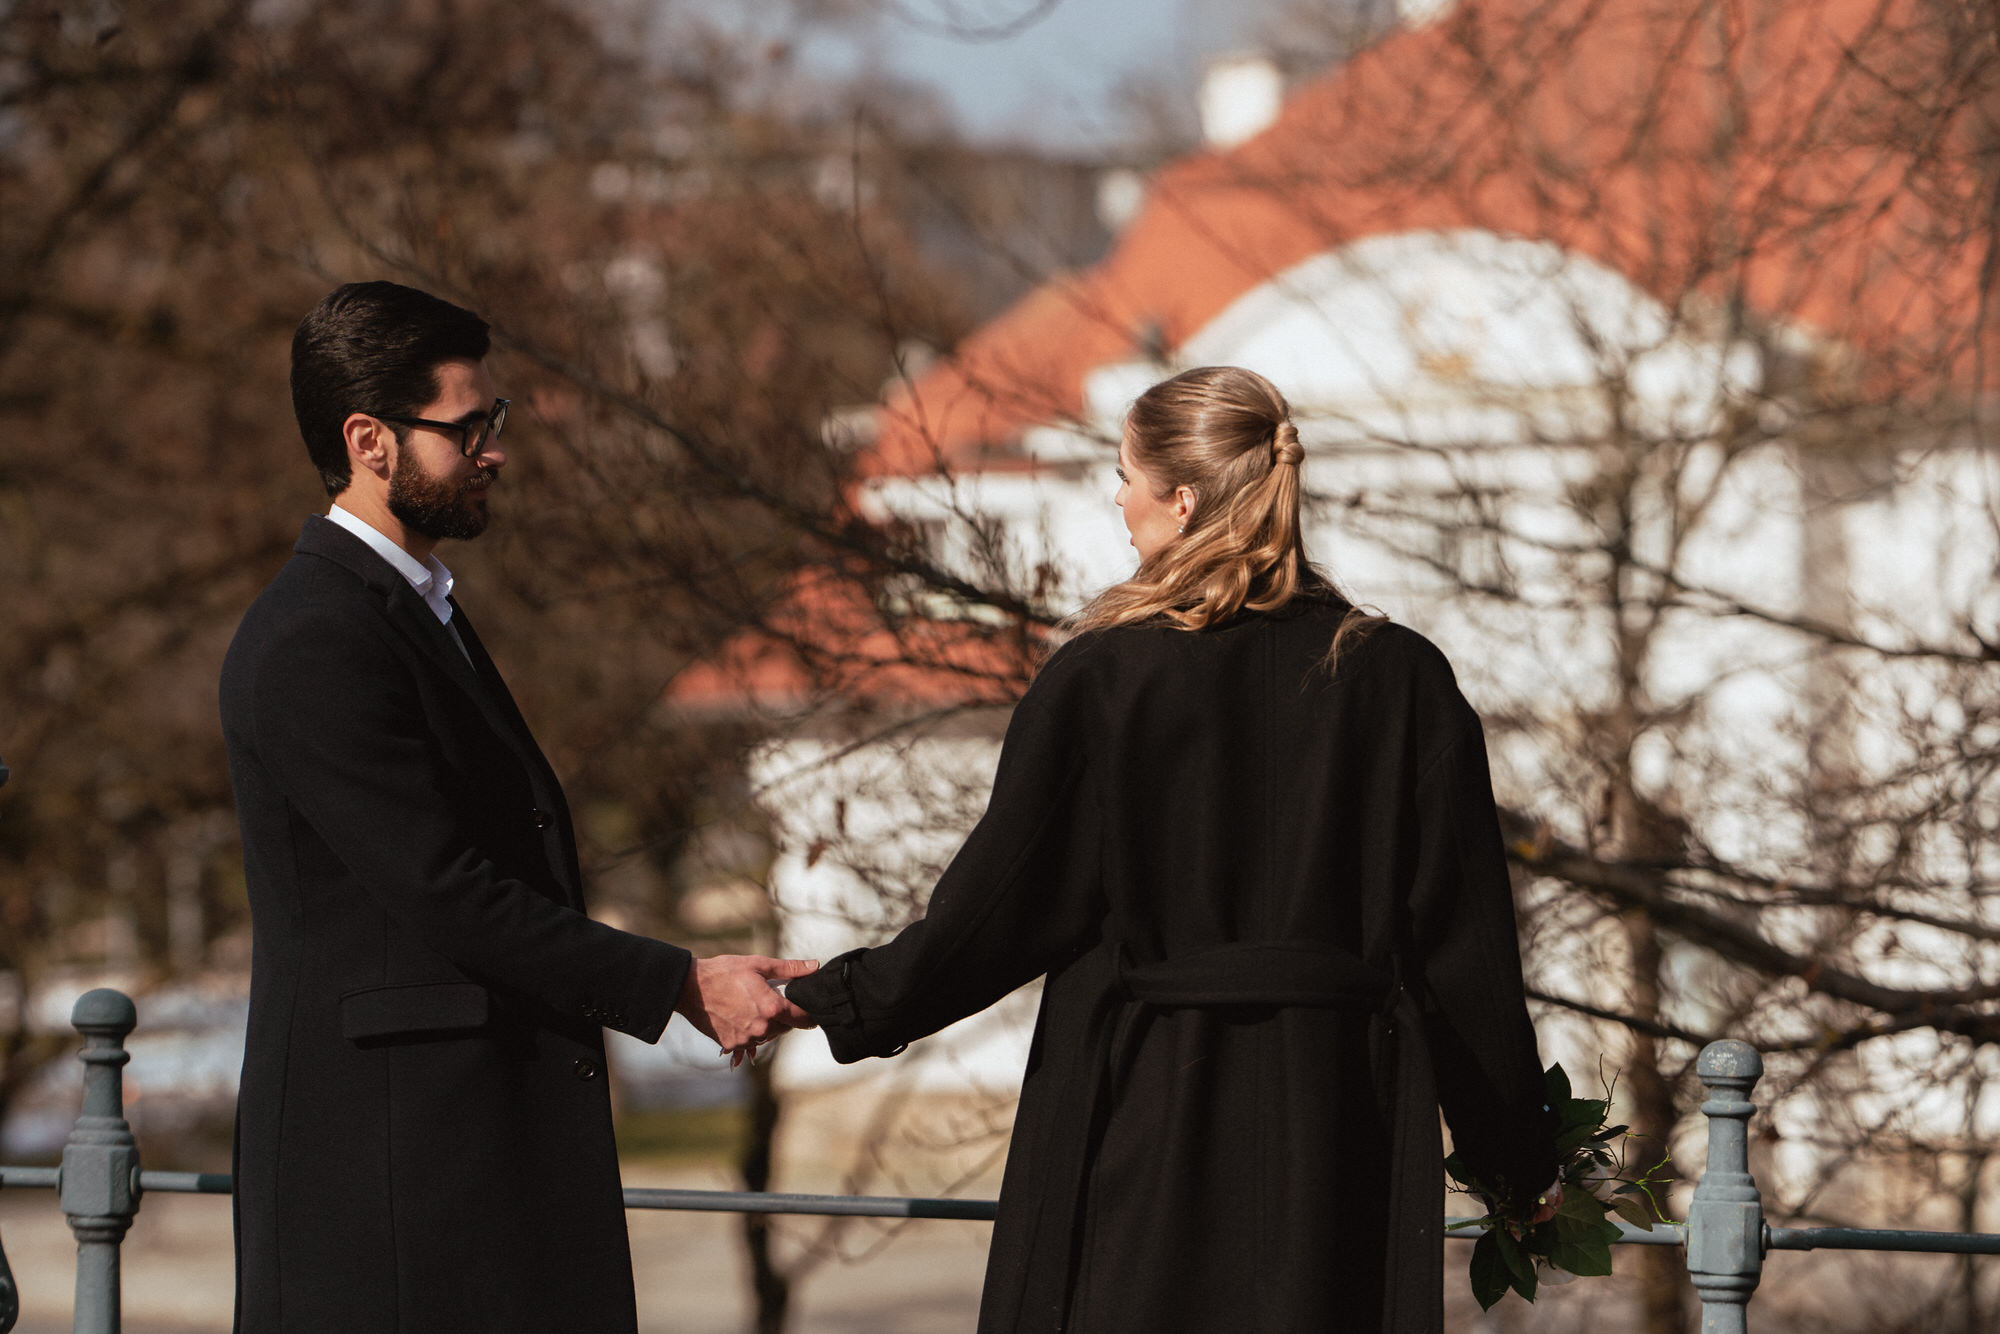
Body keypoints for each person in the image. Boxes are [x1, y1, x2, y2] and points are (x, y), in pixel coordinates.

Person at [787, 366, 1559, 1334]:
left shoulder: (1102, 680)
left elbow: (987, 916)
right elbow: (1467, 957)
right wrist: (1519, 1163)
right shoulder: (1402, 681)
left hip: (1140, 1130)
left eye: (1122, 476)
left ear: (1181, 499)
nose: (1115, 501)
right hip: (1338, 1141)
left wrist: (833, 996)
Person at [219, 280, 815, 1334]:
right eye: (467, 426)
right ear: (371, 440)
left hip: (463, 1156)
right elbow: (447, 891)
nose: (494, 448)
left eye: (494, 420)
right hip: (399, 1185)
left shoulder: (410, 606)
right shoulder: (318, 636)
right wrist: (677, 980)